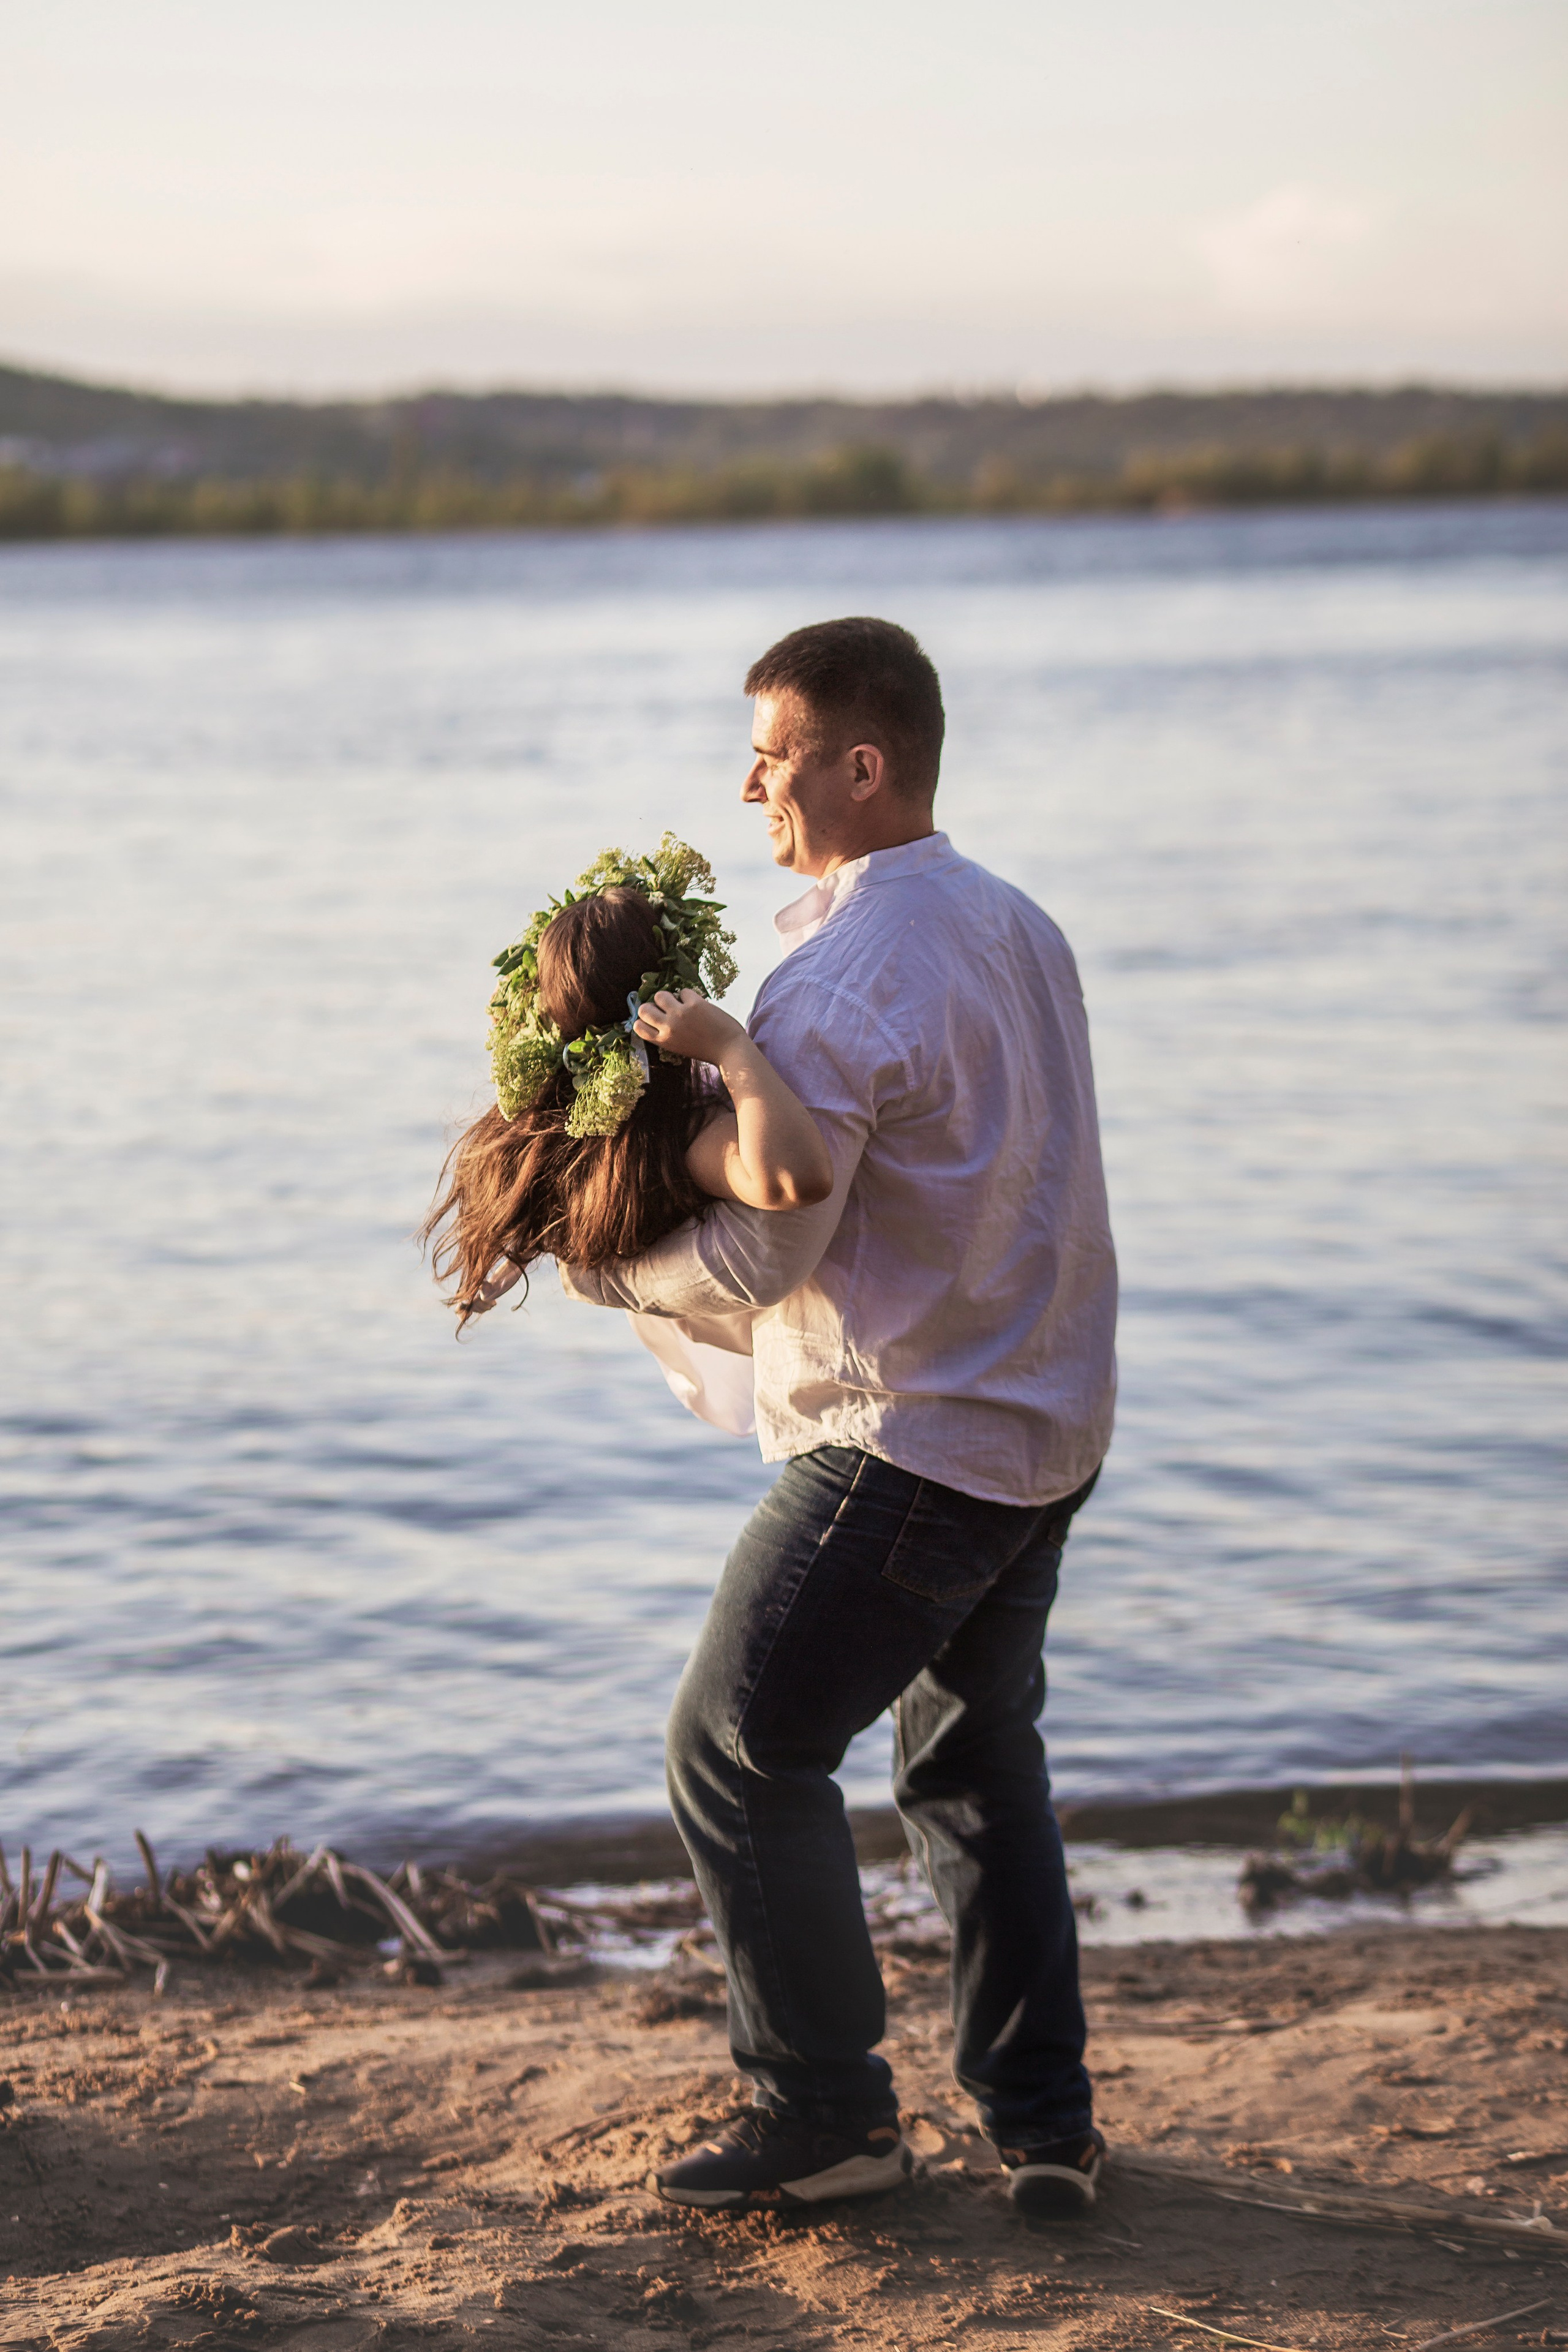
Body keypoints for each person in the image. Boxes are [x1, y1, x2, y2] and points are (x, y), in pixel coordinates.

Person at [556, 617, 1120, 2220]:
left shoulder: (831, 984)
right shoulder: (1021, 927)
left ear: (861, 764)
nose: (749, 783)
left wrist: (592, 1259)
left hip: (911, 1439)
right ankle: (1043, 2124)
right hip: (1049, 1417)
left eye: (773, 751)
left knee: (736, 1749)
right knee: (968, 1759)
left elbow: (760, 1247)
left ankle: (824, 2114)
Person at [422, 834, 834, 1324]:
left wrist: (518, 1253)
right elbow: (794, 1182)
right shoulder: (686, 1136)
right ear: (668, 998)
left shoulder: (563, 1127)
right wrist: (730, 1047)